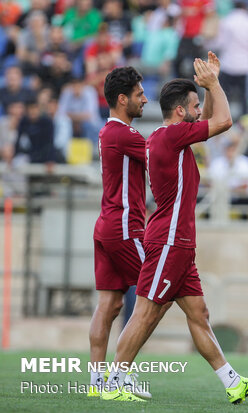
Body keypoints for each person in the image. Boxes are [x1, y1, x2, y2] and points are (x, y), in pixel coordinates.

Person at [102, 54, 248, 404]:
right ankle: (112, 381)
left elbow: (207, 120)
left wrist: (205, 88)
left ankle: (232, 381)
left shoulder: (173, 137)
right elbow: (223, 121)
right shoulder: (171, 137)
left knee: (199, 314)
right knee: (146, 312)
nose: (198, 110)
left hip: (181, 242)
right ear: (179, 112)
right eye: (193, 106)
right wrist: (214, 84)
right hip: (169, 240)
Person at [89, 66, 170, 399]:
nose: (145, 99)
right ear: (122, 99)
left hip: (107, 225)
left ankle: (96, 382)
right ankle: (121, 375)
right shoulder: (126, 135)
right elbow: (162, 153)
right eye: (139, 94)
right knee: (157, 295)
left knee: (108, 305)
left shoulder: (108, 132)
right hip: (124, 226)